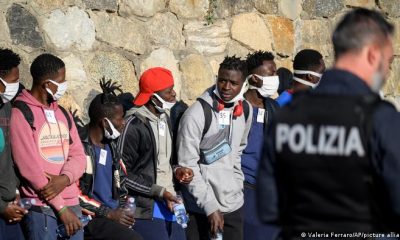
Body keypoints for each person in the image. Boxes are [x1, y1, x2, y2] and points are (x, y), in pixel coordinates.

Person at [257, 8, 400, 239]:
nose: (387, 71)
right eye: (388, 61)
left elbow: (268, 205)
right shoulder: (381, 119)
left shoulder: (288, 115)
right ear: (373, 56)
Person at [10, 53, 87, 240]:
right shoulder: (21, 113)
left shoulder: (63, 113)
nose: (64, 85)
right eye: (61, 81)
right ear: (47, 84)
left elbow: (79, 156)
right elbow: (30, 169)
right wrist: (61, 208)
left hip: (72, 204)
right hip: (42, 208)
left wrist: (64, 178)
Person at [177, 56, 252, 240]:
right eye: (222, 80)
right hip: (201, 211)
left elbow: (238, 151)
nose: (226, 87)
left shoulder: (246, 110)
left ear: (243, 84)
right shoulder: (196, 114)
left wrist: (236, 185)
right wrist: (209, 205)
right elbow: (188, 165)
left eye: (233, 83)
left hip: (233, 207)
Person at [118, 67, 193, 240]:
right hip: (146, 208)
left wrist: (177, 170)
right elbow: (122, 174)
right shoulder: (133, 125)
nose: (174, 94)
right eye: (168, 92)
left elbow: (163, 162)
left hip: (172, 203)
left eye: (173, 88)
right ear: (153, 97)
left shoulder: (165, 118)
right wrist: (158, 191)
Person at [78, 79, 142, 240]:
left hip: (112, 217)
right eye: (120, 118)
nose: (123, 122)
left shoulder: (111, 147)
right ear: (105, 122)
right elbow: (73, 193)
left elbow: (122, 186)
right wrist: (108, 213)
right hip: (90, 218)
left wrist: (123, 211)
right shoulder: (80, 146)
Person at [242, 51, 280, 240]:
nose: (275, 78)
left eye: (276, 72)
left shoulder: (273, 108)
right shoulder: (238, 108)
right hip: (244, 189)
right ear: (255, 79)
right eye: (271, 74)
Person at [0, 48, 26, 240]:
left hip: (9, 203)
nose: (16, 86)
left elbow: (8, 154)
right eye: (13, 81)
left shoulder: (6, 107)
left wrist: (15, 189)